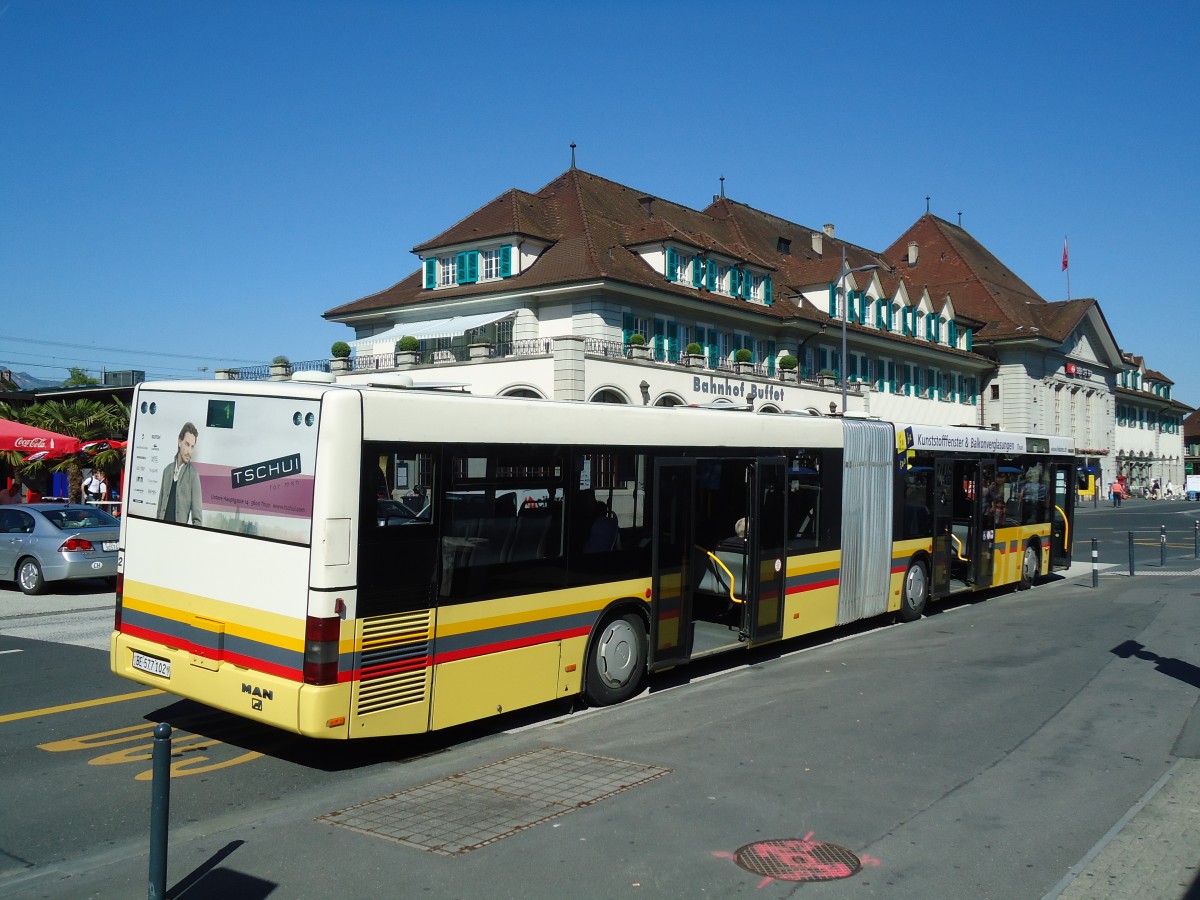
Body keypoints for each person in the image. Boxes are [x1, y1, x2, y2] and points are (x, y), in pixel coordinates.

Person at [156, 422, 203, 525]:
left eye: (192, 447)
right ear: (179, 442)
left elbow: (197, 520)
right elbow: (159, 509)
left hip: (178, 536)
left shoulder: (193, 476)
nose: (189, 451)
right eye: (187, 444)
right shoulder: (167, 471)